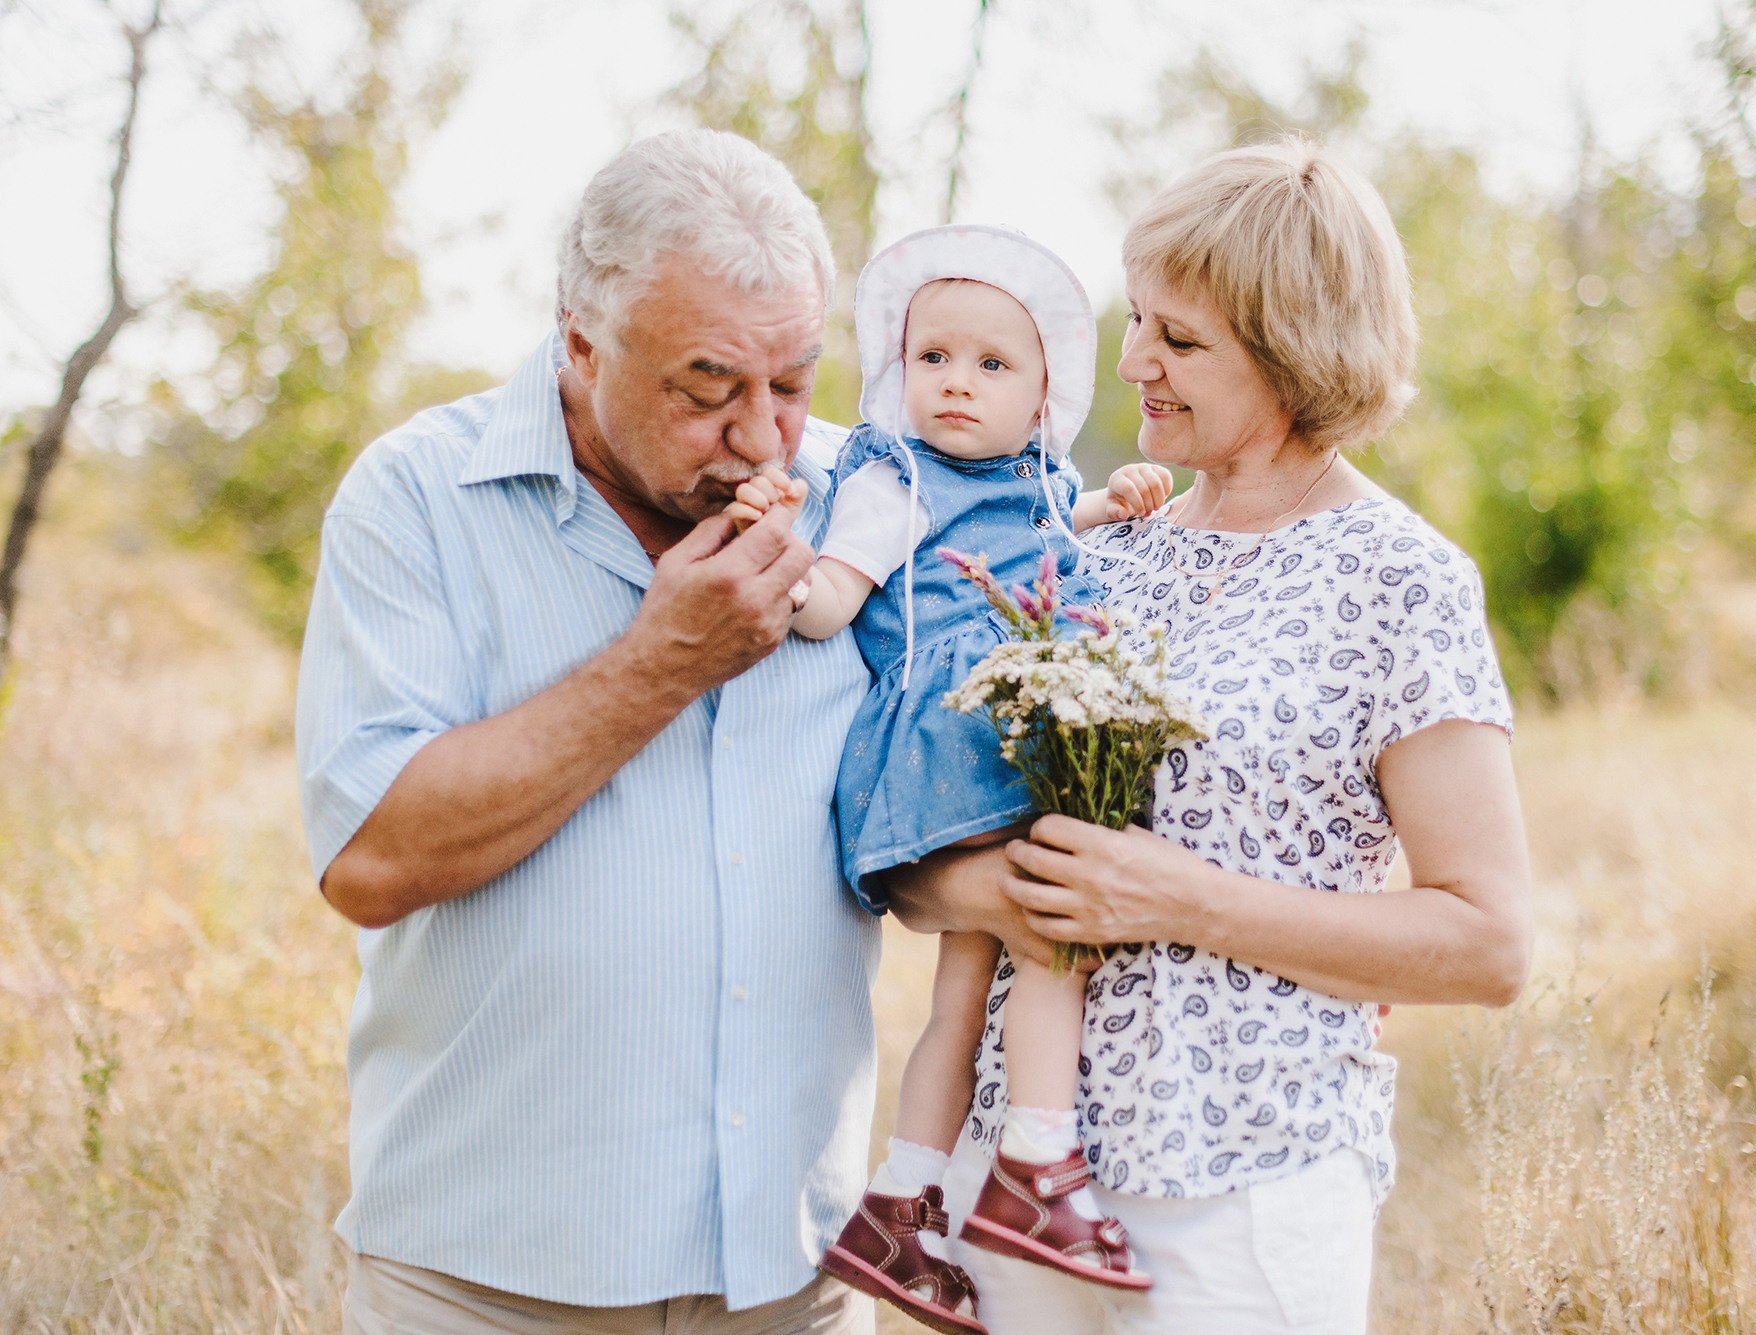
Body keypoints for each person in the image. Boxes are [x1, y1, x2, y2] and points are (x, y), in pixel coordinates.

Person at [886, 140, 1535, 1335]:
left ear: (1295, 354)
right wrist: (978, 884)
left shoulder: (1400, 583)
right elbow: (914, 836)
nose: (1131, 361)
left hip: (1243, 1197)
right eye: (1136, 321)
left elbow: (1488, 944)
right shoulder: (1087, 559)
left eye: (1178, 340)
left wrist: (1182, 899)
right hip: (1020, 1185)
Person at [295, 129, 878, 1333]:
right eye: (707, 389)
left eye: (793, 382)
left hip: (794, 1281)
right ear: (578, 340)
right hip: (483, 1281)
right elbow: (373, 857)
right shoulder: (416, 500)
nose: (765, 438)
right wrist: (660, 667)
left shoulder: (871, 510)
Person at [724, 225, 1174, 1335]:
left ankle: (901, 1205)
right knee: (1052, 933)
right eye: (933, 359)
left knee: (963, 996)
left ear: (1039, 400)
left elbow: (1028, 549)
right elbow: (832, 604)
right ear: (895, 372)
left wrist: (1103, 515)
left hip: (996, 746)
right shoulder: (891, 480)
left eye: (990, 366)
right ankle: (1037, 1169)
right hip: (943, 749)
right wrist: (780, 549)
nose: (956, 386)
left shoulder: (1030, 482)